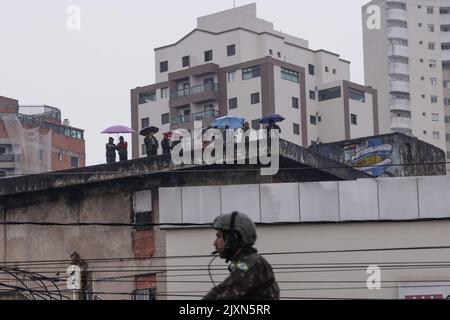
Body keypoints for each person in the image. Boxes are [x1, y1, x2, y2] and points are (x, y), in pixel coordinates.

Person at [203, 211, 280, 300]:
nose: (214, 243)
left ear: (232, 239)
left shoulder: (251, 264)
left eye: (219, 236)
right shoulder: (245, 262)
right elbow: (222, 288)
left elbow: (228, 295)